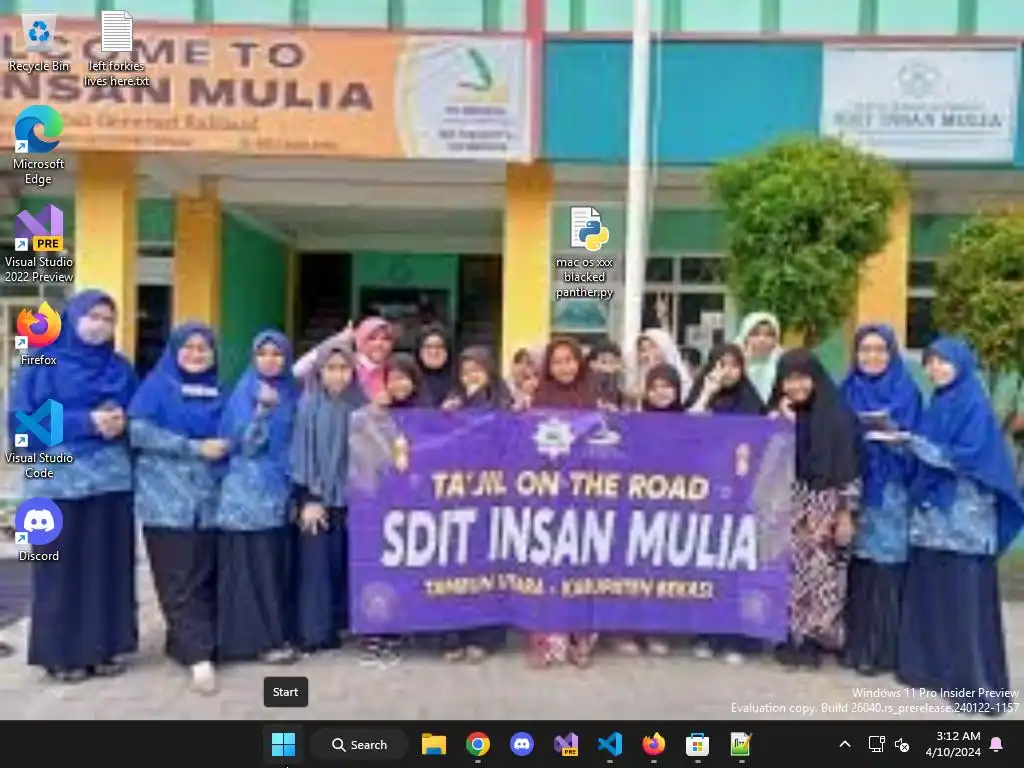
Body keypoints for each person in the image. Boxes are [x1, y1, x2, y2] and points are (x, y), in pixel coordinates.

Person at [885, 337, 1024, 711]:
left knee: (964, 604)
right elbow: (925, 452)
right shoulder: (939, 403)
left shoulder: (974, 404)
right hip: (931, 520)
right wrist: (903, 443)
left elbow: (969, 457)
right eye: (930, 363)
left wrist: (915, 444)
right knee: (934, 596)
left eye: (943, 361)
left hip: (965, 523)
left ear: (962, 363)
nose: (935, 369)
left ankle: (972, 684)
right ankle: (931, 670)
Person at [10, 289, 138, 682]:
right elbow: (20, 425)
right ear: (73, 318)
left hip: (110, 484)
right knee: (59, 569)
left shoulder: (120, 368)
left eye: (108, 319)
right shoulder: (41, 364)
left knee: (106, 566)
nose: (100, 325)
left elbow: (140, 414)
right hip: (54, 485)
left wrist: (122, 422)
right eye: (92, 316)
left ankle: (104, 648)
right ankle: (61, 655)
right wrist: (86, 423)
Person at [128, 322, 228, 694]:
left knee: (203, 575)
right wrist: (193, 447)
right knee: (176, 578)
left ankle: (184, 643)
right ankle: (198, 656)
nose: (197, 354)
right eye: (189, 347)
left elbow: (234, 429)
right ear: (174, 350)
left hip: (208, 502)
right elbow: (138, 431)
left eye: (204, 348)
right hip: (166, 501)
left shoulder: (219, 390)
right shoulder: (157, 387)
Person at [839, 324, 922, 676]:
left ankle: (883, 652)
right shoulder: (846, 389)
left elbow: (919, 442)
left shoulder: (907, 391)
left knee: (886, 571)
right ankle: (856, 646)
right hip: (854, 489)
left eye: (879, 350)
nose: (872, 356)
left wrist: (897, 440)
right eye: (865, 350)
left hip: (891, 493)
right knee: (858, 571)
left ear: (891, 354)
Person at [769, 349, 860, 669]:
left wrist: (846, 514)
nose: (795, 386)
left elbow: (849, 467)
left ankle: (815, 640)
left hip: (825, 505)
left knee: (823, 576)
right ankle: (790, 636)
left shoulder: (836, 416)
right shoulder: (777, 416)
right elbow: (767, 463)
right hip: (788, 505)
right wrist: (786, 425)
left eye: (802, 379)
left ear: (815, 379)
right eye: (788, 380)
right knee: (790, 573)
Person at [214, 330, 299, 665]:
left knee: (271, 569)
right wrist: (262, 411)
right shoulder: (243, 393)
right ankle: (252, 641)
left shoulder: (292, 393)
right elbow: (244, 445)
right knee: (249, 569)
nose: (270, 360)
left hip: (278, 493)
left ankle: (272, 636)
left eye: (277, 354)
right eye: (263, 354)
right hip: (246, 498)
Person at [683, 343, 767, 664]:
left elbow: (766, 443)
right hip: (706, 495)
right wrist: (707, 391)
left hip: (744, 497)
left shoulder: (752, 401)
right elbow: (685, 429)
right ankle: (705, 635)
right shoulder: (703, 396)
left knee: (738, 569)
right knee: (707, 566)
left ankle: (736, 638)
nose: (728, 371)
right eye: (721, 364)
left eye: (734, 365)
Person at [526, 337, 600, 667]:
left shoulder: (593, 397)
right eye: (557, 362)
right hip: (548, 495)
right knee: (548, 565)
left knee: (581, 564)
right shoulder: (539, 398)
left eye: (569, 360)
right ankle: (546, 639)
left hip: (587, 494)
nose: (564, 367)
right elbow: (527, 447)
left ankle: (580, 636)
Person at [290, 344, 367, 655]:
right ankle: (313, 633)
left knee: (341, 562)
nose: (338, 375)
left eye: (344, 368)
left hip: (351, 501)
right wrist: (310, 498)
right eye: (331, 368)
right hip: (316, 500)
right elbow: (301, 452)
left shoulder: (360, 406)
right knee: (315, 568)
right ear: (320, 372)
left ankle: (338, 626)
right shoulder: (308, 405)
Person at [438, 346, 510, 661]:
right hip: (457, 497)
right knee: (455, 569)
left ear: (490, 372)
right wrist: (445, 417)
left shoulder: (504, 404)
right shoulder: (452, 403)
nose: (471, 377)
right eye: (466, 372)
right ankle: (453, 634)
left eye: (477, 370)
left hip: (493, 497)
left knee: (488, 568)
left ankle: (485, 637)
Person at [626, 328, 692, 404]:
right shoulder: (637, 378)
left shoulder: (682, 379)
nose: (648, 354)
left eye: (653, 347)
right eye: (643, 350)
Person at [735, 311, 783, 403]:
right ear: (744, 337)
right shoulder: (731, 364)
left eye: (769, 335)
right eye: (755, 334)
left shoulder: (782, 364)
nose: (762, 339)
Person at [415, 323, 454, 407]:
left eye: (439, 347)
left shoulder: (459, 378)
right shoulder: (409, 379)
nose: (434, 352)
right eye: (428, 347)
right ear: (419, 351)